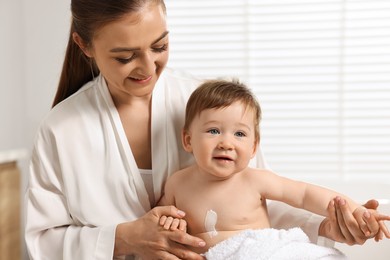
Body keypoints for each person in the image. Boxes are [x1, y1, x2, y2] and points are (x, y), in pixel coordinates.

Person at [24, 0, 384, 259]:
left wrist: (325, 226)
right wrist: (121, 239)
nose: (148, 66)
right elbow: (41, 241)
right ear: (84, 45)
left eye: (160, 46)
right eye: (125, 56)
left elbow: (257, 202)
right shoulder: (62, 129)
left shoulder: (208, 108)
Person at [157, 79, 390, 258]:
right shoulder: (177, 183)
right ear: (188, 140)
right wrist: (170, 223)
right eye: (213, 131)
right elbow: (159, 218)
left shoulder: (254, 180)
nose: (226, 143)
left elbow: (305, 194)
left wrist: (355, 210)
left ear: (253, 147)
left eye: (239, 134)